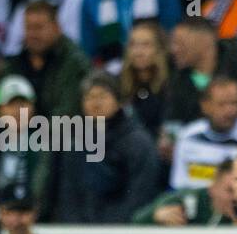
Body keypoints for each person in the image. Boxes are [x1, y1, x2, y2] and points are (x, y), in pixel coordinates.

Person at [53, 71, 163, 223]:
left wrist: (110, 230)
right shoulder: (75, 144)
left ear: (119, 102)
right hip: (80, 233)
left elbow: (140, 195)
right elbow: (68, 196)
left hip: (125, 231)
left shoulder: (138, 143)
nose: (95, 103)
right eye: (90, 97)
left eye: (102, 96)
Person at [164, 17, 237, 128]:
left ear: (206, 41)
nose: (173, 49)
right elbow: (171, 126)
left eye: (180, 43)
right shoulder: (177, 81)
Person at [170, 75, 237, 190]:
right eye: (222, 104)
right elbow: (178, 186)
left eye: (234, 103)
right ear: (205, 106)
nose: (230, 111)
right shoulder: (188, 137)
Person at [0, 76, 53, 214]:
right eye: (11, 104)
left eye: (23, 104)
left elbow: (45, 193)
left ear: (33, 109)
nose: (17, 111)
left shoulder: (45, 148)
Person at [4, 1, 91, 120]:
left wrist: (34, 136)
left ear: (57, 28)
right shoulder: (15, 64)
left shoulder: (75, 62)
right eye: (29, 28)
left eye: (39, 27)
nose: (33, 34)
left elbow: (67, 115)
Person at [132, 157, 237, 226]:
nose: (235, 197)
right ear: (213, 188)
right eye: (230, 190)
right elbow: (135, 221)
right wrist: (155, 217)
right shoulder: (185, 199)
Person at [118, 20, 172, 138]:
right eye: (133, 45)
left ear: (160, 48)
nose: (138, 52)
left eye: (146, 45)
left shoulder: (173, 84)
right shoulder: (117, 84)